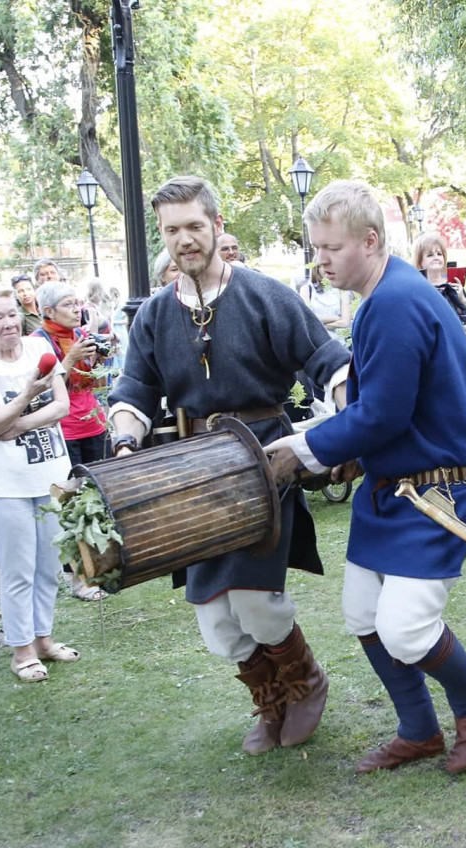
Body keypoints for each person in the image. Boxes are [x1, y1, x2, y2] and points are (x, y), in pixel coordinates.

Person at [264, 180, 466, 773]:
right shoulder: (384, 295)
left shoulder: (395, 301)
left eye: (332, 248)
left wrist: (304, 449)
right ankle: (419, 731)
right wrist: (345, 449)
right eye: (316, 248)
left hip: (439, 491)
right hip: (396, 489)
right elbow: (389, 411)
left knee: (406, 629)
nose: (321, 260)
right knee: (363, 614)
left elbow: (384, 415)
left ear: (370, 241)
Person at [108, 175, 350, 755]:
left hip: (264, 461)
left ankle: (305, 680)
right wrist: (124, 443)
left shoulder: (266, 295)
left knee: (255, 600)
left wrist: (353, 425)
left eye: (195, 226)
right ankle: (271, 699)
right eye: (172, 230)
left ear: (217, 225)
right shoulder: (154, 315)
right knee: (215, 616)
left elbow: (330, 362)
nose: (185, 239)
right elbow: (134, 390)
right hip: (190, 472)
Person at [0, 282, 81, 681]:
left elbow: (61, 405)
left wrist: (18, 423)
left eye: (12, 313)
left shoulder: (38, 349)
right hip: (3, 485)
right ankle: (22, 650)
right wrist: (26, 395)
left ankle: (43, 639)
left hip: (49, 476)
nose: (9, 323)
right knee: (18, 570)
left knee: (48, 566)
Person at [33, 281, 111, 601]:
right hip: (64, 430)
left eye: (78, 303)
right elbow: (41, 388)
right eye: (68, 304)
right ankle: (79, 579)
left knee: (99, 497)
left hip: (94, 422)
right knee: (72, 504)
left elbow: (97, 382)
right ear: (48, 311)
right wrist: (70, 359)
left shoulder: (80, 336)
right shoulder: (37, 342)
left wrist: (99, 360)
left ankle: (103, 567)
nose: (77, 310)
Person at [413, 231, 466, 327]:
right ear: (420, 261)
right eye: (430, 255)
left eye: (439, 254)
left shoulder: (452, 283)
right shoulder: (416, 287)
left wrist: (461, 298)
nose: (436, 257)